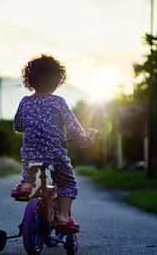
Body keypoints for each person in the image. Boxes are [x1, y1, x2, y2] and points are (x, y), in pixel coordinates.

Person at [11, 54, 98, 234]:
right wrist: (89, 136)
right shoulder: (58, 102)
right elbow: (75, 130)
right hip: (55, 154)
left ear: (30, 79)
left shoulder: (25, 101)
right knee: (68, 184)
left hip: (31, 154)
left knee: (30, 162)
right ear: (57, 80)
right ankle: (63, 218)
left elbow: (18, 125)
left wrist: (33, 127)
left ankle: (27, 184)